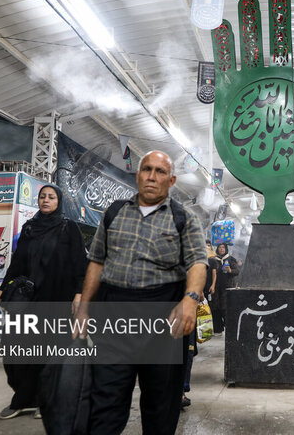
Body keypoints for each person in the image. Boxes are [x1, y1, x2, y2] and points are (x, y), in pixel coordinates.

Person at [73, 151, 208, 435]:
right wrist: (84, 306)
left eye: (160, 171)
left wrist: (190, 299)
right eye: (147, 169)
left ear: (171, 180)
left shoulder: (183, 218)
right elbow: (97, 261)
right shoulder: (114, 212)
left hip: (163, 318)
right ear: (137, 175)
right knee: (105, 399)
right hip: (114, 315)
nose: (151, 176)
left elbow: (197, 262)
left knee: (161, 403)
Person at [0, 184, 87, 420]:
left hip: (56, 297)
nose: (45, 200)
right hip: (26, 300)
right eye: (42, 196)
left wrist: (79, 294)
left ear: (58, 201)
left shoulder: (69, 228)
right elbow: (17, 263)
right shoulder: (30, 227)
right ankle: (23, 398)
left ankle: (46, 399)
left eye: (51, 197)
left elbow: (79, 264)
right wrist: (2, 291)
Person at [211, 242, 240, 333]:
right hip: (216, 288)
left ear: (226, 249)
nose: (221, 249)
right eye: (220, 247)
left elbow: (237, 271)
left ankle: (230, 329)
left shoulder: (231, 259)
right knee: (216, 309)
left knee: (226, 309)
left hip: (227, 287)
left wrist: (230, 270)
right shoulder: (213, 260)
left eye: (223, 247)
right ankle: (218, 329)